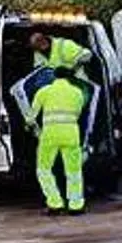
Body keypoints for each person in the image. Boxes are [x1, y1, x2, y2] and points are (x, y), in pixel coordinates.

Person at [27, 67, 87, 215]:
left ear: (54, 76)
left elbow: (31, 116)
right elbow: (79, 113)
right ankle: (75, 205)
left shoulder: (44, 91)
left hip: (50, 135)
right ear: (70, 77)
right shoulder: (77, 93)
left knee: (44, 169)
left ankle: (55, 203)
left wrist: (30, 126)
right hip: (71, 134)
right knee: (74, 171)